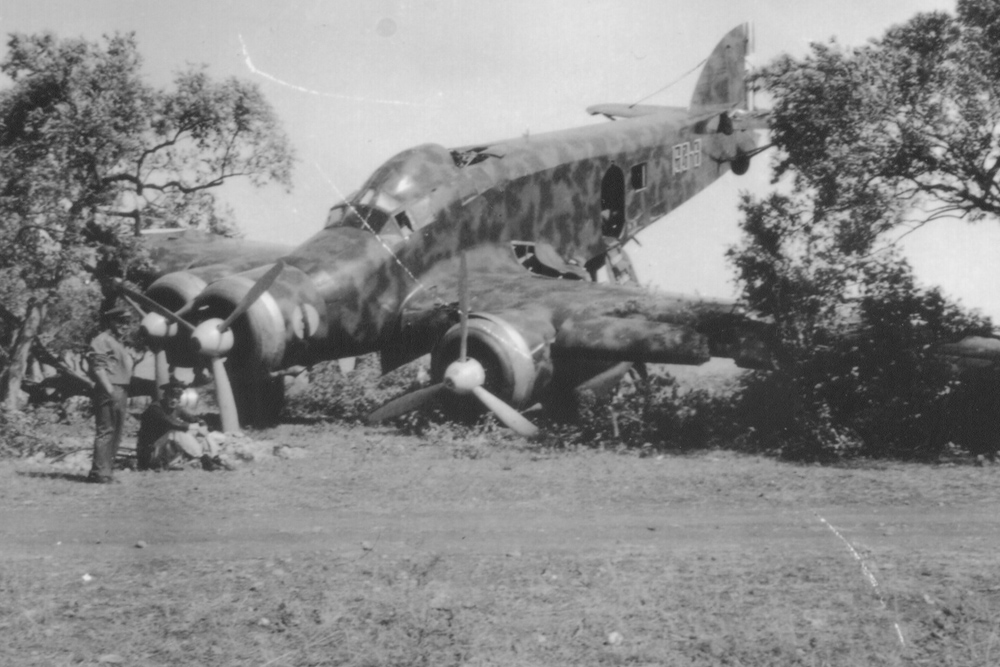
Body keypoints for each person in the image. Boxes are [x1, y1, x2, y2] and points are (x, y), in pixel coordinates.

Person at [137, 379, 229, 471]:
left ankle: (215, 458)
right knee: (176, 432)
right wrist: (194, 427)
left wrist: (202, 426)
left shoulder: (177, 408)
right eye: (171, 396)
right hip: (150, 452)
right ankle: (204, 460)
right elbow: (171, 423)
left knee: (200, 432)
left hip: (166, 449)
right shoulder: (155, 408)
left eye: (177, 397)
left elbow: (194, 419)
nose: (174, 399)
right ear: (165, 396)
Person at [87, 305, 135, 484]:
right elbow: (98, 369)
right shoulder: (102, 340)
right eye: (121, 321)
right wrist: (110, 390)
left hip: (121, 389)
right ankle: (99, 473)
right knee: (106, 431)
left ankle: (106, 471)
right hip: (109, 389)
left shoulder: (118, 342)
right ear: (112, 321)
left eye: (128, 322)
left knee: (116, 432)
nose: (125, 325)